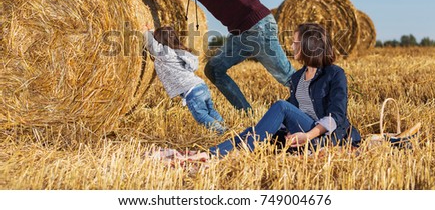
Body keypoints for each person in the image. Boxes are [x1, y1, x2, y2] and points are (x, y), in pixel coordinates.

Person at [149, 23, 361, 161]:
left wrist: (307, 135)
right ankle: (211, 154)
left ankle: (223, 154)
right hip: (300, 133)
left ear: (309, 45)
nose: (292, 46)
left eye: (296, 43)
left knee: (280, 106)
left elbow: (336, 116)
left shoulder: (334, 74)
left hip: (323, 136)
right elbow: (294, 112)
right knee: (256, 130)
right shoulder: (297, 77)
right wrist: (276, 129)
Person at [129, 0, 295, 111]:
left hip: (258, 27)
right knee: (214, 69)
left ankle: (318, 108)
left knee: (287, 77)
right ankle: (247, 114)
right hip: (241, 34)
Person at [143, 24, 226, 134]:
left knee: (201, 116)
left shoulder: (166, 53)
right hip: (200, 86)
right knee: (211, 110)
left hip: (191, 91)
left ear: (159, 41)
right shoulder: (180, 51)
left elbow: (152, 46)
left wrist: (146, 32)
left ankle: (221, 131)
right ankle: (225, 125)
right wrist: (152, 31)